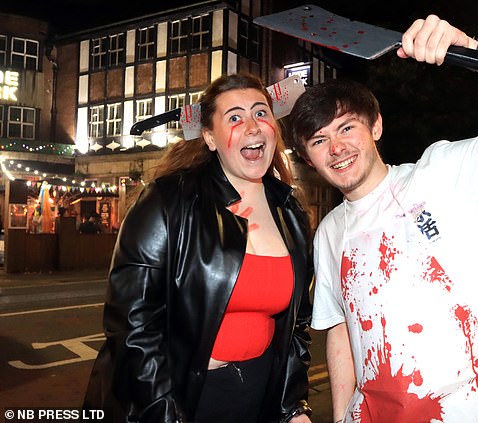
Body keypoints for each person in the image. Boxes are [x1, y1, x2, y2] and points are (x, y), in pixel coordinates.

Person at [287, 15, 478, 423]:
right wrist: (345, 415)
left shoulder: (445, 173)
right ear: (309, 158)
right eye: (319, 140)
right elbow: (342, 330)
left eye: (347, 127)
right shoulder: (329, 231)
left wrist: (475, 53)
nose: (337, 148)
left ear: (376, 126)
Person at [83, 73, 314, 423]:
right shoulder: (168, 200)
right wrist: (162, 413)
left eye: (261, 113)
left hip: (259, 398)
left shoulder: (290, 212)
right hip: (183, 399)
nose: (252, 126)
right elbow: (131, 326)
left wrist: (292, 407)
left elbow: (297, 326)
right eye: (234, 117)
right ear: (209, 137)